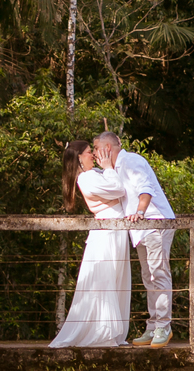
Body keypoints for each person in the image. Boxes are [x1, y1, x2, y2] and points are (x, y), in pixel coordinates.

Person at [93, 131, 176, 347]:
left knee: (159, 273)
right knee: (148, 277)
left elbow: (145, 189)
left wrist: (140, 211)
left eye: (95, 149)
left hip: (154, 222)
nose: (94, 154)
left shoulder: (131, 160)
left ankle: (163, 327)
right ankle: (152, 326)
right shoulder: (114, 169)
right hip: (140, 230)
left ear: (107, 149)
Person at [49, 139, 132, 348]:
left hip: (115, 230)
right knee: (105, 280)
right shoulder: (86, 178)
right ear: (79, 158)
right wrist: (107, 167)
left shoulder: (93, 175)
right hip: (107, 233)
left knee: (117, 278)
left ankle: (115, 332)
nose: (93, 155)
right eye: (89, 152)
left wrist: (106, 169)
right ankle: (104, 332)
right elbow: (118, 189)